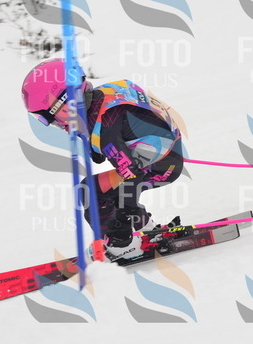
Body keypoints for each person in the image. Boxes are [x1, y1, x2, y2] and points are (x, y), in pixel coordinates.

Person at [21, 58, 184, 261]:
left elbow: (132, 177)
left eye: (52, 117)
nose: (57, 125)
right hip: (164, 154)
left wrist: (122, 225)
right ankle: (148, 231)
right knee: (105, 190)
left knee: (91, 192)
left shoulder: (106, 129)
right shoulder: (102, 97)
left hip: (161, 166)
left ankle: (123, 246)